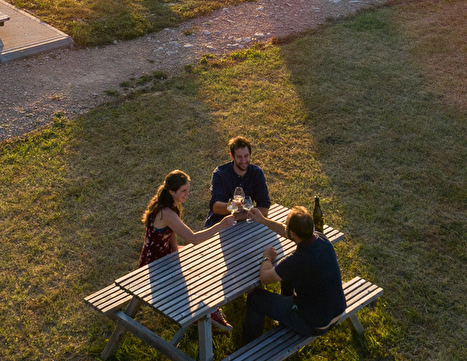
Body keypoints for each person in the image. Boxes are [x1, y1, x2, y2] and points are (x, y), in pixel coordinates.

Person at [140, 169, 246, 331]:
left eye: (188, 189)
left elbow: (171, 233)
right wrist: (221, 225)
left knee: (203, 258)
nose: (187, 194)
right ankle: (205, 310)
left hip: (165, 254)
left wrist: (176, 255)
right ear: (172, 192)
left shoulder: (169, 204)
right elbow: (193, 239)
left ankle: (204, 307)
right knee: (200, 264)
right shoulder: (166, 213)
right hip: (156, 264)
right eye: (183, 191)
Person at [239, 206, 346, 347]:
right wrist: (263, 220)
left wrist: (267, 258)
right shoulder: (322, 240)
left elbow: (265, 278)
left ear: (293, 233)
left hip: (314, 324)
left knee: (255, 298)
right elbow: (288, 232)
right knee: (290, 279)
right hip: (337, 311)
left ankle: (249, 347)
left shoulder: (296, 261)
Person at [204, 136, 271, 226]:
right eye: (239, 157)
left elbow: (264, 208)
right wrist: (231, 206)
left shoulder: (256, 173)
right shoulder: (220, 174)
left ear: (250, 154)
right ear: (232, 156)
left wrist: (238, 217)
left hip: (245, 224)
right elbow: (215, 207)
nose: (243, 161)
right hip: (219, 224)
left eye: (246, 156)